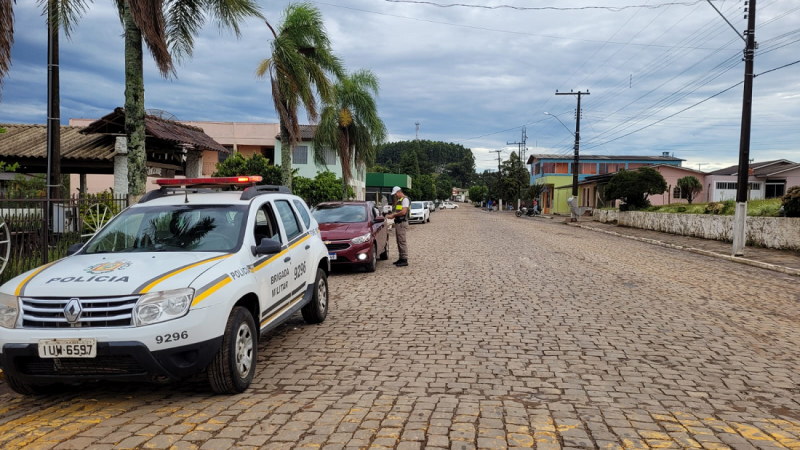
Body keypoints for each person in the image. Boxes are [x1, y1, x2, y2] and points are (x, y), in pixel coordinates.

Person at [386, 186, 410, 267]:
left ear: (399, 192)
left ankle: (404, 259)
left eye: (395, 194)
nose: (395, 195)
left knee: (402, 241)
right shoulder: (400, 200)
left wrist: (393, 215)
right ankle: (401, 258)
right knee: (399, 241)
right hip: (398, 222)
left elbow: (403, 212)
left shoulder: (405, 200)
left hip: (402, 222)